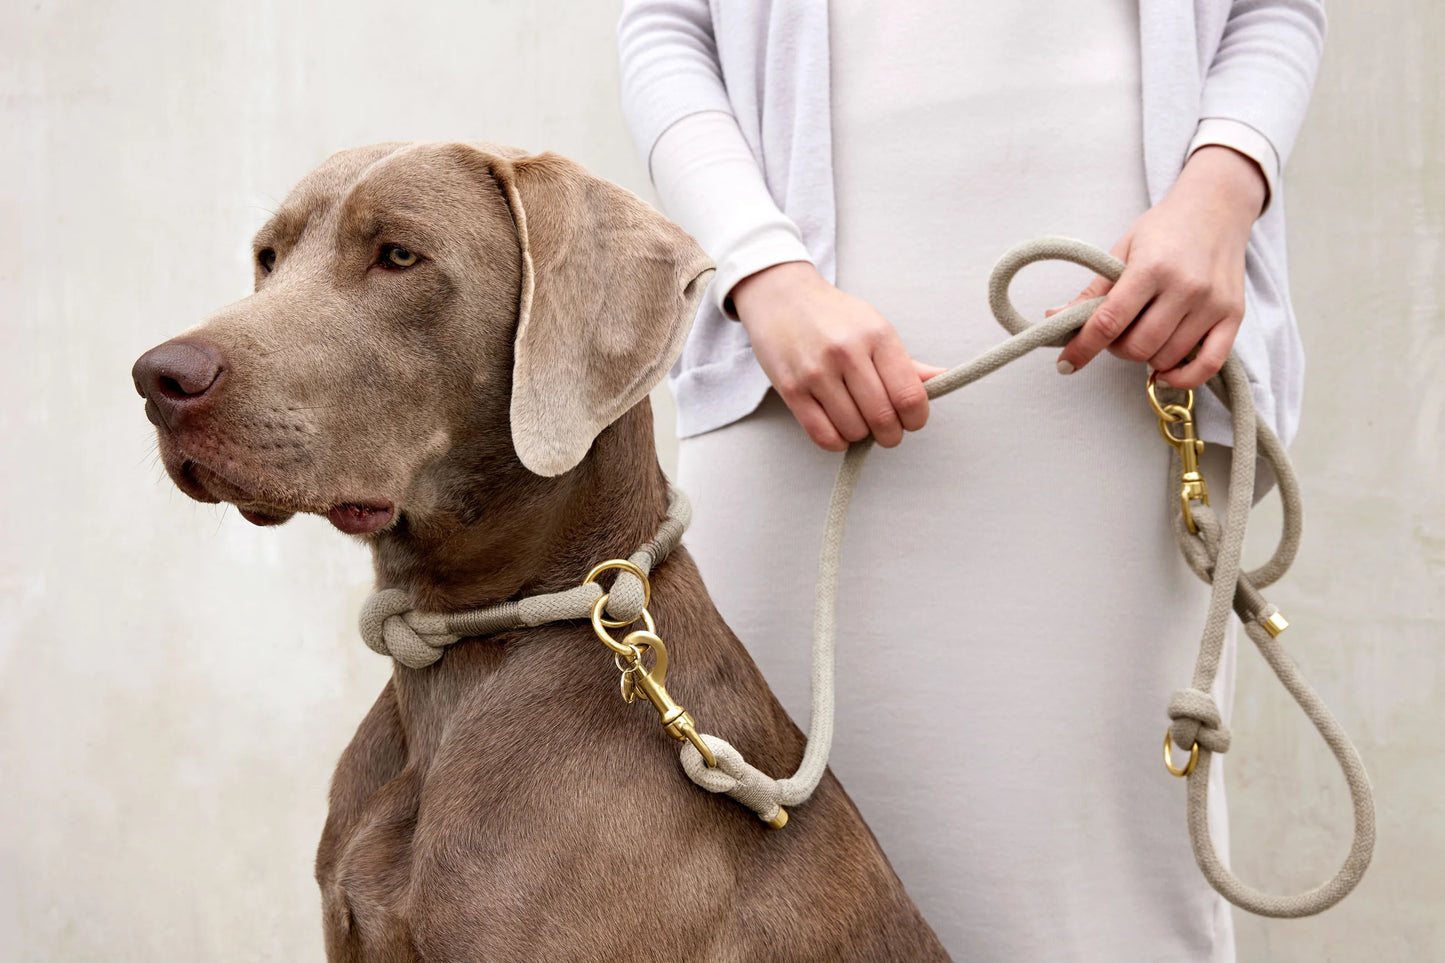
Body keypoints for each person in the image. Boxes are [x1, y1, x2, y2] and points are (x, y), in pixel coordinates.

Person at [618, 2, 1324, 959]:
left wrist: (1222, 194)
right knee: (757, 863)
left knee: (1091, 894)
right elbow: (666, 23)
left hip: (1121, 370)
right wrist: (759, 268)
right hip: (787, 371)